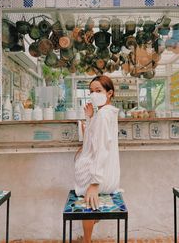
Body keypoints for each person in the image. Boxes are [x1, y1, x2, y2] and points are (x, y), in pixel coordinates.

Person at [74, 75, 120, 243]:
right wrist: (90, 117)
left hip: (99, 178)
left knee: (87, 201)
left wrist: (94, 184)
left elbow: (100, 150)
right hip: (110, 175)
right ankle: (87, 238)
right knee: (89, 201)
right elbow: (93, 140)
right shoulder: (107, 113)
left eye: (98, 90)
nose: (93, 94)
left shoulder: (103, 116)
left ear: (109, 93)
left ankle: (86, 241)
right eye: (91, 91)